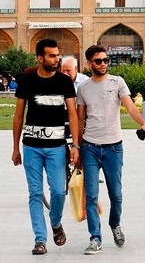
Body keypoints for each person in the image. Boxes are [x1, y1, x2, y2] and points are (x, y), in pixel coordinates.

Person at [76, 45, 145, 255]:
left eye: (106, 60)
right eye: (98, 61)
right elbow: (80, 119)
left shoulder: (117, 82)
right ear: (89, 63)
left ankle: (114, 224)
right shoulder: (83, 88)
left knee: (116, 195)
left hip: (113, 148)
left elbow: (130, 106)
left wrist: (143, 124)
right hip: (90, 146)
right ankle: (95, 237)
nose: (103, 64)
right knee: (91, 196)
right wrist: (77, 146)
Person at [12, 39, 80, 256]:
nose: (56, 59)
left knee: (59, 191)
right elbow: (18, 115)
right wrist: (15, 147)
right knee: (34, 193)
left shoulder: (64, 82)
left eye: (57, 55)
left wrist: (75, 145)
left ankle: (55, 222)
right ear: (40, 58)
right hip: (31, 146)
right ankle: (40, 239)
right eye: (52, 56)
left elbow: (72, 114)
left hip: (56, 147)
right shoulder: (27, 81)